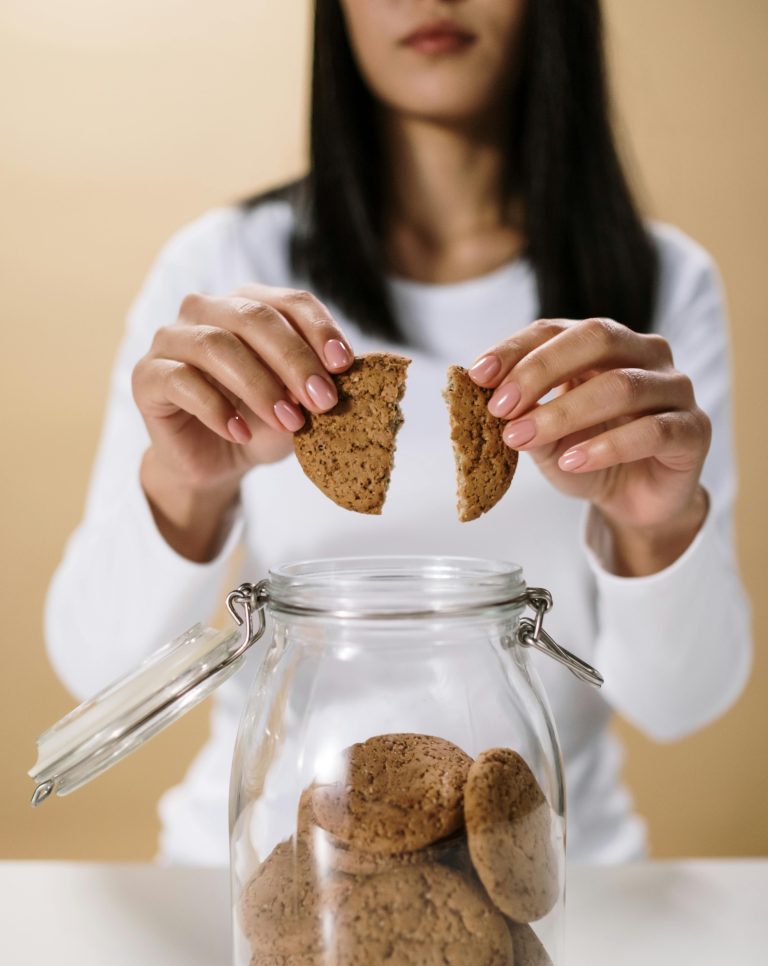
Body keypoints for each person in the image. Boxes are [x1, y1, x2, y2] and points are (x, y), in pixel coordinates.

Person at [45, 0, 751, 865]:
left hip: (549, 876)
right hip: (267, 863)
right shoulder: (223, 267)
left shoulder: (656, 287)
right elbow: (95, 673)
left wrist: (652, 526)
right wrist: (188, 483)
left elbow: (683, 702)